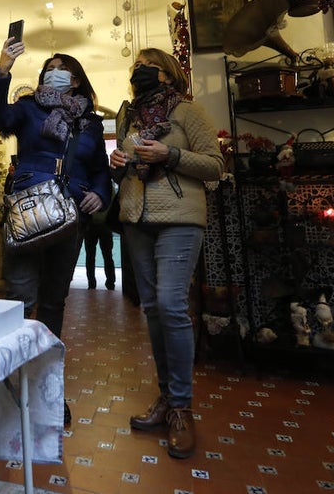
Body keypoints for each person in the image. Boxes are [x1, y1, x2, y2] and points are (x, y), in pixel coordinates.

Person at [0, 36, 110, 426]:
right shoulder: (27, 108)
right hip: (28, 208)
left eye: (61, 69)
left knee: (54, 302)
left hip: (71, 213)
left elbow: (101, 170)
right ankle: (11, 386)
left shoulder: (91, 123)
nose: (52, 73)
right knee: (20, 296)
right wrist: (2, 69)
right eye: (48, 69)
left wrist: (100, 196)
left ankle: (45, 385)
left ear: (75, 80)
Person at [109, 47, 223, 460]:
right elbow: (124, 166)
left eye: (148, 65)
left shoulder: (188, 112)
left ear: (168, 72)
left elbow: (215, 165)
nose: (140, 71)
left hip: (179, 218)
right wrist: (118, 162)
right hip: (135, 218)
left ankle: (181, 408)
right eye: (135, 66)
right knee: (153, 308)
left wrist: (169, 154)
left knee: (173, 305)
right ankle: (165, 398)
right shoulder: (129, 116)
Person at [83, 187, 117, 290]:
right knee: (107, 256)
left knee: (91, 256)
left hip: (94, 225)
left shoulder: (90, 186)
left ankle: (92, 283)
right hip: (104, 226)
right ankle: (110, 282)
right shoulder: (110, 190)